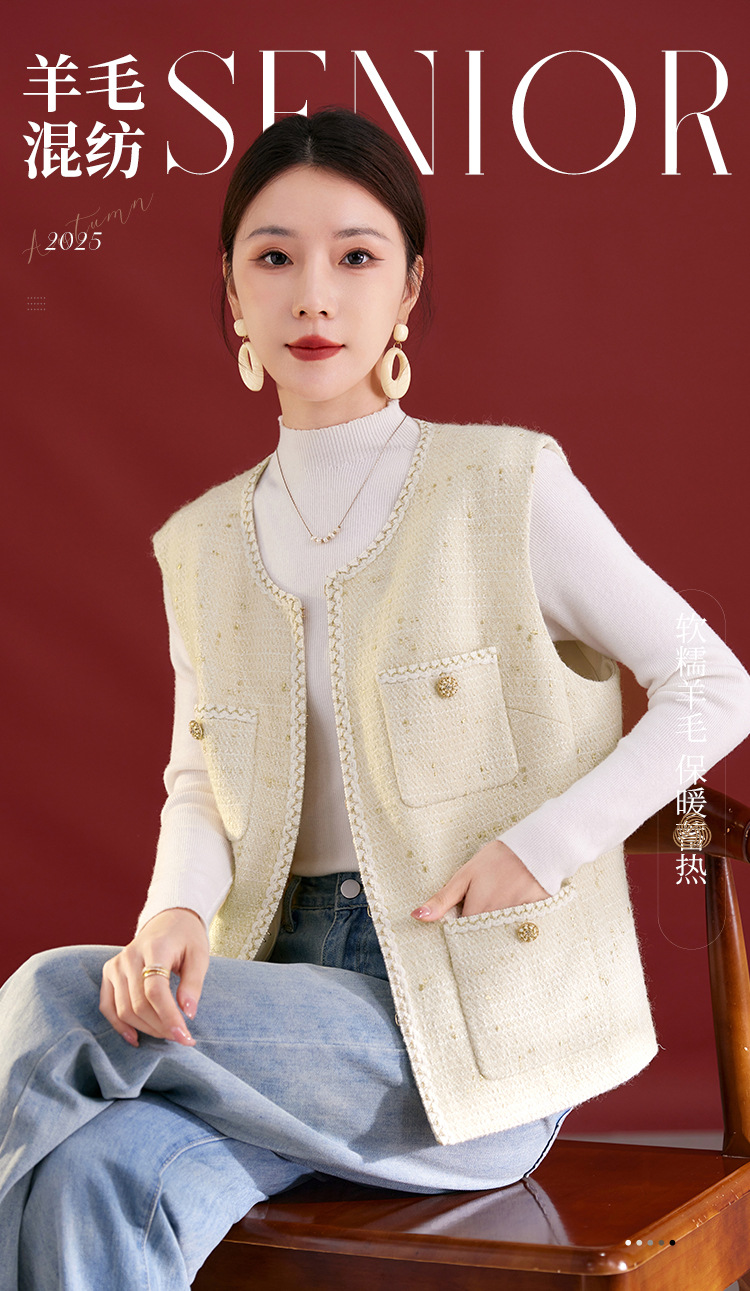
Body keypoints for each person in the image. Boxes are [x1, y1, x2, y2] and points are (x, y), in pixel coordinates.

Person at [1, 107, 750, 1291]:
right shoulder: (200, 544)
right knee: (96, 1174)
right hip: (263, 1006)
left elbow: (715, 684)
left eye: (356, 256)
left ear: (409, 289)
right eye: (274, 256)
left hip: (460, 1036)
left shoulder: (505, 485)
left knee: (56, 992)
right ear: (232, 295)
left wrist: (542, 846)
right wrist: (173, 912)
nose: (314, 295)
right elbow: (199, 774)